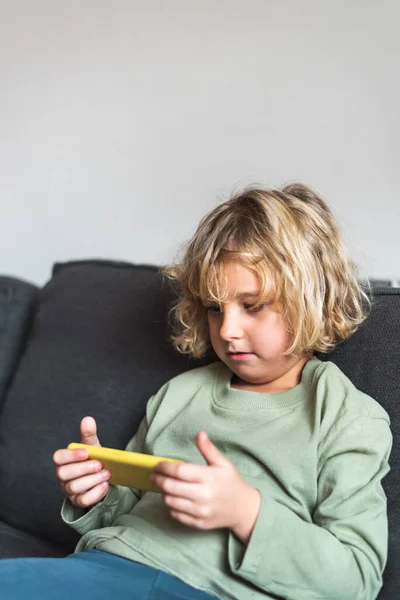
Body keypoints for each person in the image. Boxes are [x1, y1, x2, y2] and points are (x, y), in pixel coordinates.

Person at [0, 183, 392, 600]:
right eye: (214, 308)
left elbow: (357, 580)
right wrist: (94, 496)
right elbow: (123, 518)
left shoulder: (345, 417)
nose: (227, 331)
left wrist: (247, 513)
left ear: (312, 298)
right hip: (109, 567)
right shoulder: (180, 395)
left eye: (253, 305)